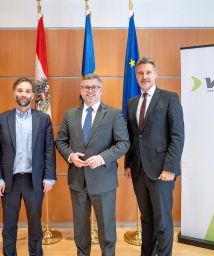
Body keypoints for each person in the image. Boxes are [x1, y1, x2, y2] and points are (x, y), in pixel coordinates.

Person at [55, 74, 130, 256]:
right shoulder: (70, 114)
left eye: (94, 87)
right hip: (77, 180)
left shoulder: (114, 114)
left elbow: (123, 143)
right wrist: (71, 155)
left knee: (106, 229)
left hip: (103, 180)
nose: (90, 91)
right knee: (80, 229)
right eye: (86, 87)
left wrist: (102, 158)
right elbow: (60, 141)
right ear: (81, 90)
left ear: (101, 90)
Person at [124, 56, 184, 256]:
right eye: (140, 73)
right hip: (138, 171)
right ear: (136, 76)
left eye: (148, 72)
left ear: (156, 74)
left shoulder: (169, 98)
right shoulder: (132, 103)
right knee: (146, 219)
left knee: (163, 221)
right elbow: (131, 136)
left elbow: (177, 135)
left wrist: (170, 168)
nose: (144, 76)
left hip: (161, 171)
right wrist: (127, 163)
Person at [0, 77, 56, 256]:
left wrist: (49, 177)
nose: (23, 94)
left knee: (35, 225)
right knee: (9, 225)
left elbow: (49, 149)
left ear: (33, 95)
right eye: (20, 90)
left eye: (27, 91)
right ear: (14, 93)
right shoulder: (2, 119)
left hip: (33, 181)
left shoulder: (43, 119)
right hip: (9, 181)